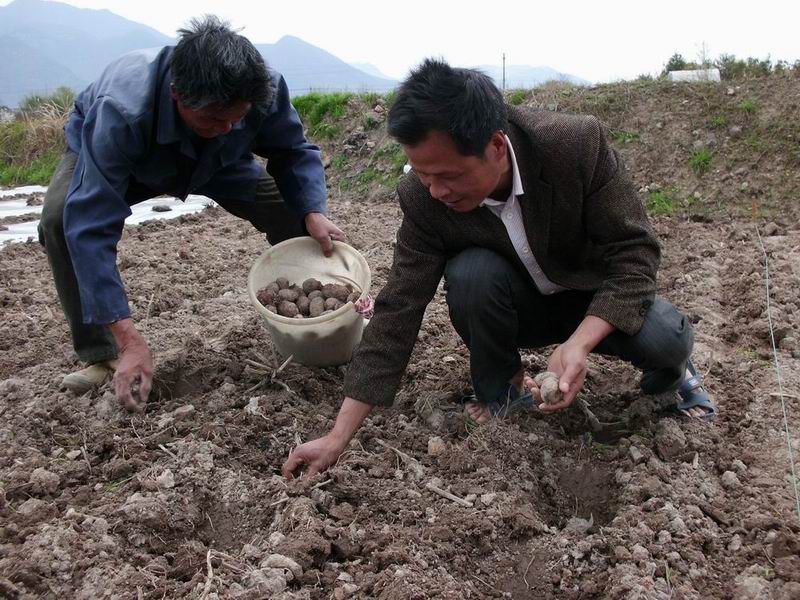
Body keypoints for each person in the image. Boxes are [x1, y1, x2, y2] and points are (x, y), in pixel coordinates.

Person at [282, 58, 716, 479]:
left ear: (495, 146)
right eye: (423, 174)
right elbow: (399, 307)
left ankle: (675, 377)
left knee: (666, 339)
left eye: (448, 175)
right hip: (517, 303)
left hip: (593, 297)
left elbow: (635, 253)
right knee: (471, 273)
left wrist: (580, 343)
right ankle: (503, 392)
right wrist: (337, 437)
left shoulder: (574, 146)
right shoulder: (422, 197)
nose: (436, 191)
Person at [39, 16, 343, 410]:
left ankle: (316, 324)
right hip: (132, 159)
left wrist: (312, 209)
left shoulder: (260, 89)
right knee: (63, 218)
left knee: (291, 211)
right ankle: (104, 353)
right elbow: (91, 223)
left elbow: (293, 151)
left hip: (216, 162)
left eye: (238, 118)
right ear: (177, 94)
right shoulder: (122, 110)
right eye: (215, 118)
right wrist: (130, 337)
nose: (228, 126)